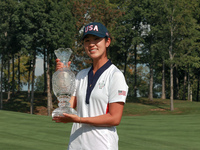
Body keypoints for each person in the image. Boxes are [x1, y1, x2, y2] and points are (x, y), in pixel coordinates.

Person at [53, 22, 128, 150]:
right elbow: (67, 106)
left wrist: (80, 119)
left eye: (96, 39)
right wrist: (64, 76)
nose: (91, 44)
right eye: (87, 40)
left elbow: (115, 118)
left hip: (102, 145)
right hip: (76, 145)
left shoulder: (115, 75)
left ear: (107, 42)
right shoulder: (81, 75)